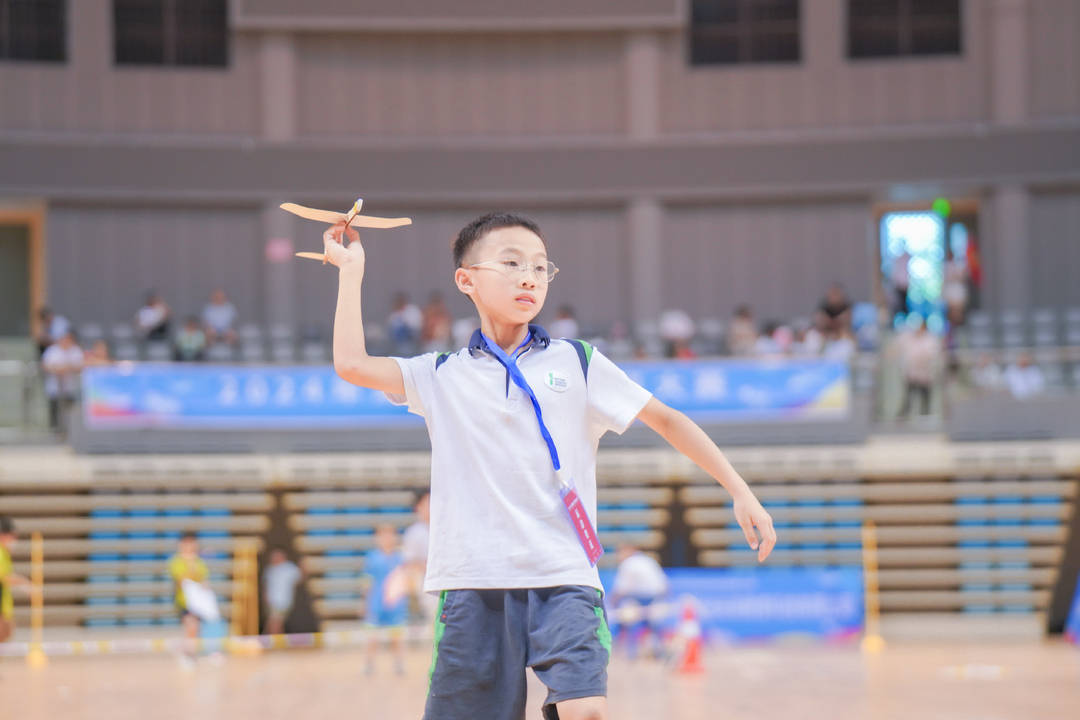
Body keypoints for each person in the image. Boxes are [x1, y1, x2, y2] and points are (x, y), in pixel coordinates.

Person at [321, 211, 775, 720]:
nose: (529, 277)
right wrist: (350, 272)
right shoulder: (439, 374)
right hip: (473, 584)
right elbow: (351, 364)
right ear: (466, 279)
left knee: (585, 710)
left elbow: (667, 420)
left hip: (565, 576)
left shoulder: (578, 361)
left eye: (540, 267)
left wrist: (739, 488)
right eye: (512, 263)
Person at [363, 524, 408, 675]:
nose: (387, 539)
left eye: (390, 535)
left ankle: (399, 665)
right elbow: (367, 582)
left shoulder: (400, 558)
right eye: (383, 535)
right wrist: (365, 602)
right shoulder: (372, 557)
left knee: (396, 637)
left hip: (396, 604)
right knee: (372, 637)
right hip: (376, 603)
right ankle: (369, 665)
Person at [611, 545, 668, 660]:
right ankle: (659, 652)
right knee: (654, 626)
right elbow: (663, 583)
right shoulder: (649, 560)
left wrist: (613, 600)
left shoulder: (628, 564)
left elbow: (622, 587)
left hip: (637, 596)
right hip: (656, 595)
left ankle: (632, 654)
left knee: (631, 624)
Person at [169, 533, 209, 667]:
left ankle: (189, 652)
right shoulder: (177, 561)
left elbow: (204, 580)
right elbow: (181, 579)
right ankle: (187, 654)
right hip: (184, 601)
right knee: (191, 626)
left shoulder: (199, 561)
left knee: (195, 628)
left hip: (198, 602)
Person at [41, 331, 84, 433]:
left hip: (71, 388)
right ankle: (55, 431)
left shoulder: (75, 350)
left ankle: (70, 431)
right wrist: (59, 369)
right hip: (55, 388)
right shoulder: (52, 350)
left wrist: (66, 368)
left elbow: (80, 366)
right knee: (55, 411)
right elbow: (46, 366)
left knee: (70, 411)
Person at [898, 320, 941, 418]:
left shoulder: (930, 339)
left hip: (925, 374)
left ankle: (925, 414)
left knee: (925, 395)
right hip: (912, 373)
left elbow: (932, 355)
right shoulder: (910, 338)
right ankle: (904, 415)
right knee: (909, 395)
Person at [0, 516, 31, 643]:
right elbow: (4, 577)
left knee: (7, 631)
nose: (14, 540)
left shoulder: (4, 553)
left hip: (4, 606)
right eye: (12, 536)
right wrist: (25, 583)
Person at [262, 548, 302, 635]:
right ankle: (275, 641)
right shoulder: (270, 569)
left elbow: (298, 579)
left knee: (274, 622)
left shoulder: (289, 568)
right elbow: (266, 585)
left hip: (282, 600)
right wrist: (265, 596)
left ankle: (271, 641)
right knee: (276, 622)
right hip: (273, 601)